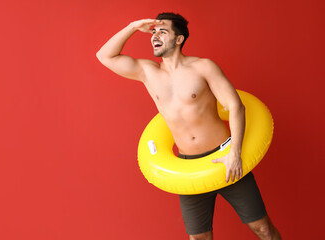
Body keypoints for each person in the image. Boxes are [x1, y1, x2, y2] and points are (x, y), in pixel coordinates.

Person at [96, 12, 281, 240]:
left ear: (179, 38)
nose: (155, 36)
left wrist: (235, 153)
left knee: (263, 229)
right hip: (189, 168)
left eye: (162, 31)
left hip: (225, 159)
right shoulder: (147, 72)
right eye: (153, 32)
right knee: (199, 238)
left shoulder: (203, 67)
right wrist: (134, 26)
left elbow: (235, 107)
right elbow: (104, 56)